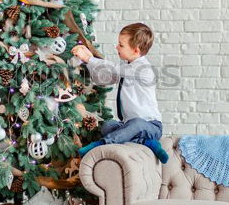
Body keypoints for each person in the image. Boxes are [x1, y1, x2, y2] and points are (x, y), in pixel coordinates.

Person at [71, 22, 169, 163]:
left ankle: (101, 144)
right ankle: (147, 143)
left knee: (136, 123)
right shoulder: (126, 66)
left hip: (151, 126)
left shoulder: (144, 69)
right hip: (127, 124)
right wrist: (87, 61)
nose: (117, 47)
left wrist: (90, 59)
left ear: (136, 50)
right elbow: (102, 79)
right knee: (108, 126)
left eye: (121, 45)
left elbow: (114, 69)